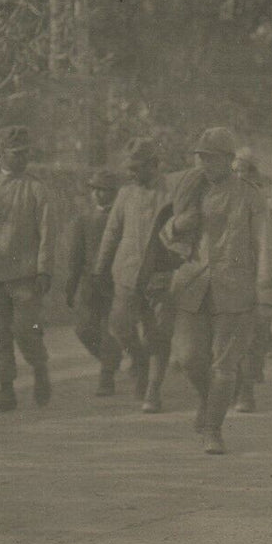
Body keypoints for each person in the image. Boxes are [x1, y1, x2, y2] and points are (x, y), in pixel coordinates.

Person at [164, 127, 272, 455]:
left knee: (224, 366)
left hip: (235, 289)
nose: (204, 165)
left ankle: (213, 428)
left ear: (229, 159)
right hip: (193, 285)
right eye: (200, 158)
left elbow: (264, 245)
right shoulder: (191, 189)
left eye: (210, 159)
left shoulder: (250, 195)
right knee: (187, 357)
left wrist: (265, 293)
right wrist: (176, 226)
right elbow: (166, 232)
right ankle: (209, 402)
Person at [92, 137, 175, 413]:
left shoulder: (171, 193)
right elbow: (112, 233)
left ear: (154, 165)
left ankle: (153, 388)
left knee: (158, 334)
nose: (131, 173)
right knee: (119, 326)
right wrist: (100, 268)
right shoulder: (126, 194)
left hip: (160, 277)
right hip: (126, 275)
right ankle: (139, 360)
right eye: (130, 168)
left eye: (137, 168)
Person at [0, 126, 52, 412]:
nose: (21, 159)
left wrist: (44, 270)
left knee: (25, 329)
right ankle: (6, 390)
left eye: (25, 154)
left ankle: (40, 368)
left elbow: (46, 231)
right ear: (1, 154)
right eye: (15, 153)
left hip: (25, 275)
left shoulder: (36, 188)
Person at [63, 170, 124, 396]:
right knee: (84, 329)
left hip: (115, 283)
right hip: (90, 285)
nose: (99, 195)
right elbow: (75, 257)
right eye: (96, 190)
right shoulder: (83, 220)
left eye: (105, 190)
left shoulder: (121, 218)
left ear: (114, 193)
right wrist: (71, 286)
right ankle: (112, 360)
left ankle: (106, 376)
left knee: (110, 331)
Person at [229, 147, 272, 414]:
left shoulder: (259, 201)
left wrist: (265, 281)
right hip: (224, 276)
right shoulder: (220, 196)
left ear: (252, 173)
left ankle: (245, 391)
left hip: (251, 277)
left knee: (246, 338)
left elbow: (268, 244)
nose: (238, 175)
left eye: (244, 170)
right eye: (234, 169)